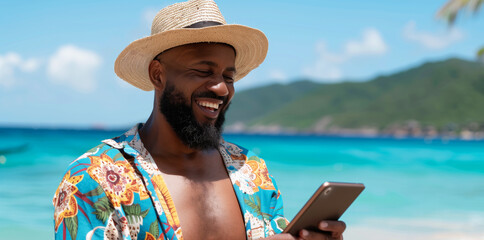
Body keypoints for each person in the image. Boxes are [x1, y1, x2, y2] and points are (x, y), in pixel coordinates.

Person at [53, 0, 346, 239]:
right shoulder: (94, 179)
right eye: (204, 71)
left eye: (228, 76)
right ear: (158, 74)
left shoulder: (252, 173)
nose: (221, 88)